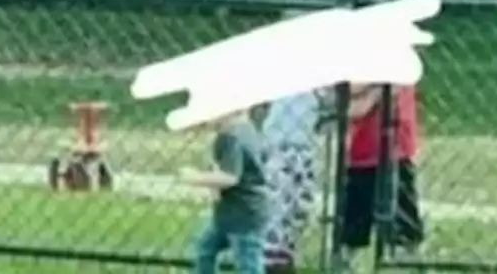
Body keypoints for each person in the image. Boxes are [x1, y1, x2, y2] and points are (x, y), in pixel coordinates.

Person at [338, 83, 425, 267]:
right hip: (360, 148)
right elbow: (351, 94)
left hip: (395, 143)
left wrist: (373, 93)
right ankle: (345, 255)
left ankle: (404, 252)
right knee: (356, 208)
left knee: (400, 201)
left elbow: (393, 84)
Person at [179, 108, 270, 274]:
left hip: (244, 215)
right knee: (204, 249)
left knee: (249, 264)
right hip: (229, 213)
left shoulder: (232, 137)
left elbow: (230, 178)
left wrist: (196, 177)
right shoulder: (244, 129)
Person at [261, 89, 326, 273]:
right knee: (278, 217)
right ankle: (273, 260)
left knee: (293, 215)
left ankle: (279, 258)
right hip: (283, 147)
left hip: (299, 148)